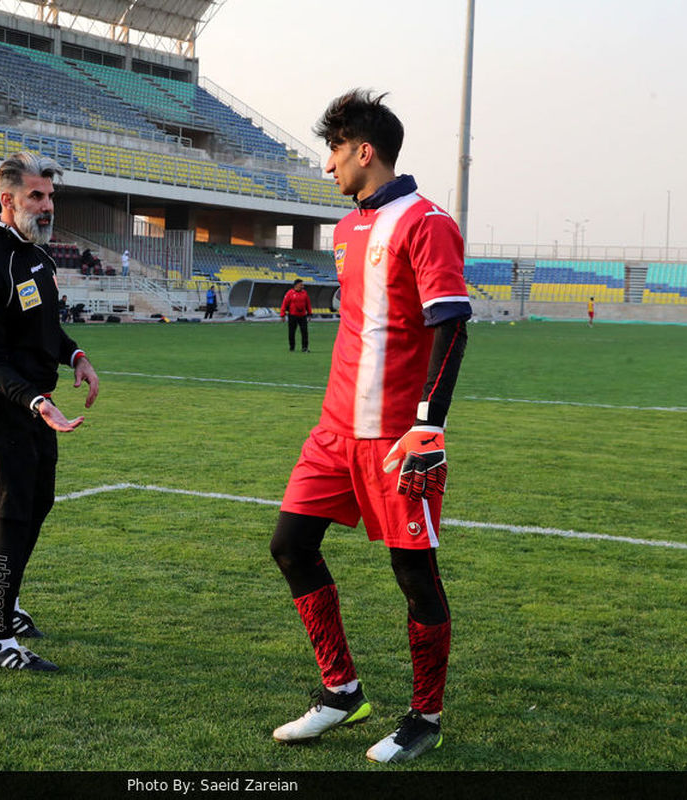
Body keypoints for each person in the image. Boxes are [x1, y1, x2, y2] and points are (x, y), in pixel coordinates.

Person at [268, 90, 471, 764]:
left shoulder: (426, 221)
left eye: (333, 150)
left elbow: (451, 327)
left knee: (414, 575)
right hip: (333, 429)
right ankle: (340, 691)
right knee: (291, 545)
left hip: (394, 438)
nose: (327, 166)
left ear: (364, 150)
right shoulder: (347, 228)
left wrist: (427, 429)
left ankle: (425, 716)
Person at [0, 152, 99, 672]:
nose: (47, 206)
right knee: (13, 516)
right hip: (7, 409)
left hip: (41, 408)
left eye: (50, 196)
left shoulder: (40, 258)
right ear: (8, 200)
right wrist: (38, 402)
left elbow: (47, 332)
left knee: (38, 505)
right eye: (36, 197)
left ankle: (1, 601)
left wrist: (76, 357)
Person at [280, 278, 312, 352]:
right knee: (291, 332)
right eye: (301, 285)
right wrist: (283, 315)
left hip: (303, 316)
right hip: (292, 315)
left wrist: (309, 314)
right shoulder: (290, 293)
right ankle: (292, 347)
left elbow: (308, 304)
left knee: (304, 332)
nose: (302, 286)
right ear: (296, 285)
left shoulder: (304, 293)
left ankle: (304, 347)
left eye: (302, 285)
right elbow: (284, 304)